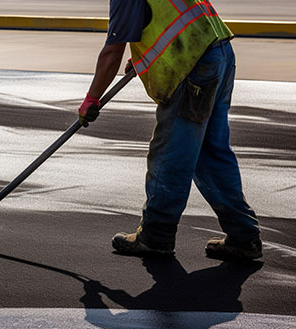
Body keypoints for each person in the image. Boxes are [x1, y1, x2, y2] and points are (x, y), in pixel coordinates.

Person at [78, 0, 262, 260]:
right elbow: (167, 22)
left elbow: (112, 52)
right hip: (218, 54)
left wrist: (91, 99)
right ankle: (245, 237)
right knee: (210, 153)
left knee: (170, 153)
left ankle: (156, 235)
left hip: (193, 66)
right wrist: (144, 58)